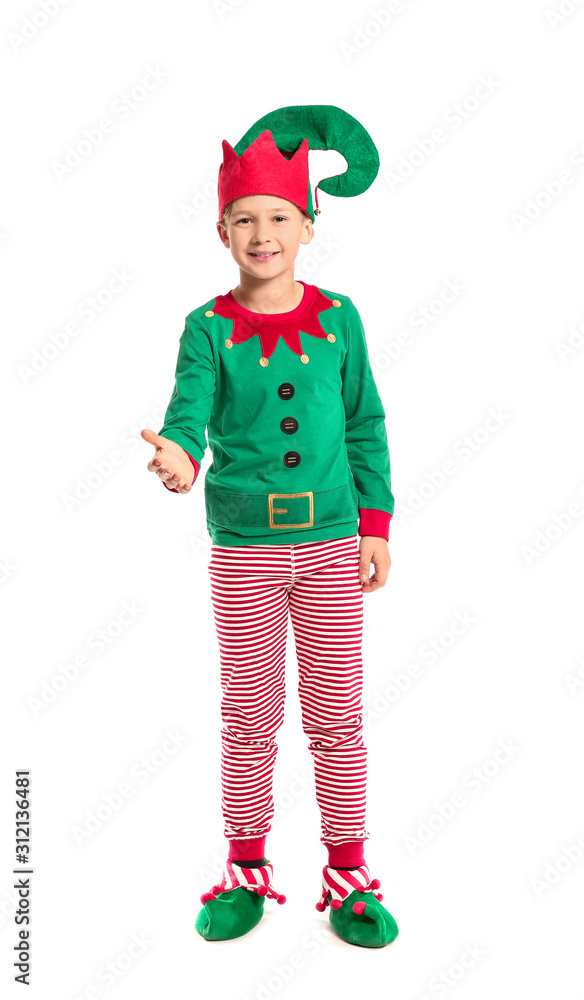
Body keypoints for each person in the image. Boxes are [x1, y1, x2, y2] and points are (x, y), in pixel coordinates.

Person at [141, 105, 399, 948]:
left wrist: (374, 523)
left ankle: (349, 872)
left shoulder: (343, 319)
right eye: (245, 219)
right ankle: (247, 868)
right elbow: (186, 415)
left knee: (337, 713)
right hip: (245, 552)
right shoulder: (206, 330)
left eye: (280, 217)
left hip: (331, 547)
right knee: (250, 714)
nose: (263, 233)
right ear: (221, 230)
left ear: (308, 227)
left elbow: (365, 422)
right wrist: (180, 457)